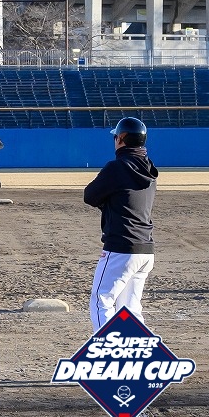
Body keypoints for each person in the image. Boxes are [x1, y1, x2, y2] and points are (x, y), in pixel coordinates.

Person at [84, 116, 157, 332]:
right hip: (145, 248)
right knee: (131, 310)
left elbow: (90, 195)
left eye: (116, 137)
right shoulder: (150, 169)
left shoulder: (117, 168)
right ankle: (139, 350)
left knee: (101, 300)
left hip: (121, 247)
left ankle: (108, 349)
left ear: (121, 139)